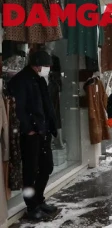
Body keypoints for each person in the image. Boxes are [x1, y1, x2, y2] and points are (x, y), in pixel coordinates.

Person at [7, 50, 58, 220]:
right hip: (31, 135)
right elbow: (18, 109)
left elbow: (45, 105)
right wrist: (28, 128)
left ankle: (38, 200)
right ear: (37, 64)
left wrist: (50, 126)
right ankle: (31, 206)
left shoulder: (39, 79)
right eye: (46, 65)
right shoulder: (21, 80)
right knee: (30, 171)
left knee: (46, 167)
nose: (48, 68)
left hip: (42, 132)